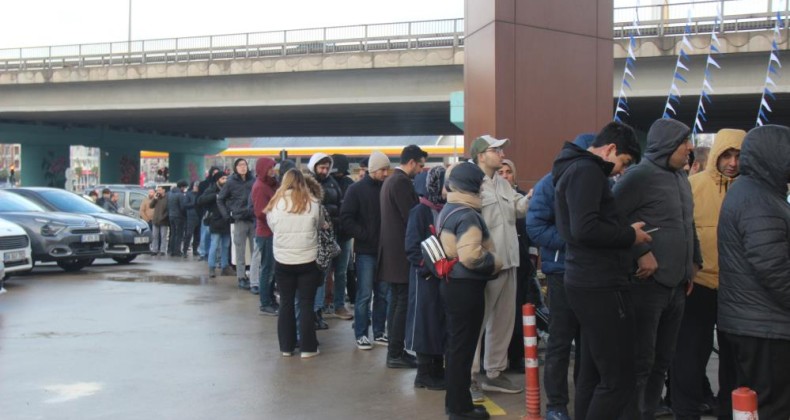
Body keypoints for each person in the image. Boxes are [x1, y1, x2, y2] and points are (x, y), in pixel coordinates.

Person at [552, 121, 651, 420]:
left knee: (594, 373)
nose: (621, 171)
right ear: (610, 149)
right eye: (624, 162)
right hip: (600, 284)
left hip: (586, 279)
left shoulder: (575, 168)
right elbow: (585, 229)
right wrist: (629, 235)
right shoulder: (588, 170)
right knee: (617, 380)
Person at [612, 119, 701, 420]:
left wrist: (693, 262)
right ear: (666, 145)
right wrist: (641, 252)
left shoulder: (681, 178)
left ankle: (647, 412)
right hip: (646, 287)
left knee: (663, 360)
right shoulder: (639, 176)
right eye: (684, 142)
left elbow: (688, 224)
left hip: (677, 285)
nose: (689, 148)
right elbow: (611, 219)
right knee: (641, 361)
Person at [670, 128, 745, 420]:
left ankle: (729, 411)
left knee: (735, 360)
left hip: (736, 289)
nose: (732, 163)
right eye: (727, 155)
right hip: (697, 286)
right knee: (689, 357)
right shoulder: (693, 186)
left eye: (738, 156)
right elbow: (680, 231)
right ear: (716, 155)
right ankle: (685, 412)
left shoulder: (749, 189)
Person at [717, 124, 790, 419]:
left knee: (750, 407)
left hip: (753, 321)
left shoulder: (756, 192)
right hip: (764, 326)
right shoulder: (758, 199)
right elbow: (772, 266)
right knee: (771, 407)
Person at [527, 134, 594, 420]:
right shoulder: (549, 183)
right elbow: (535, 227)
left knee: (589, 344)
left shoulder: (601, 182)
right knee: (560, 342)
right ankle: (556, 405)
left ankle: (586, 403)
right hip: (561, 273)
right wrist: (574, 240)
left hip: (593, 275)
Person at [466, 135, 529, 397]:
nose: (502, 154)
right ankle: (469, 376)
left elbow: (518, 208)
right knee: (476, 322)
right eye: (496, 150)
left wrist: (533, 197)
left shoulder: (502, 183)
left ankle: (494, 372)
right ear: (481, 155)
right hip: (486, 265)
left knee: (503, 320)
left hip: (509, 261)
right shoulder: (471, 183)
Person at [440, 162, 502, 420]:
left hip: (452, 284)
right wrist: (496, 262)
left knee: (457, 347)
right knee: (463, 349)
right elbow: (471, 256)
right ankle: (460, 409)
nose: (482, 189)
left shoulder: (449, 208)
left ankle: (457, 403)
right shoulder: (468, 215)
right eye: (480, 184)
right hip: (467, 287)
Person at [266, 169, 324, 359]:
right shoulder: (313, 203)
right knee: (306, 304)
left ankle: (286, 347)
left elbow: (272, 226)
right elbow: (318, 225)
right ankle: (308, 348)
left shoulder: (275, 203)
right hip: (308, 259)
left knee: (286, 303)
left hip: (283, 260)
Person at [379, 144, 427, 369]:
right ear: (411, 162)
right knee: (401, 304)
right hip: (401, 254)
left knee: (396, 302)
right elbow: (411, 217)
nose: (421, 170)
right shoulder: (401, 182)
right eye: (420, 166)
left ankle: (395, 351)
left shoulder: (390, 181)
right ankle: (395, 353)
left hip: (392, 253)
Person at [340, 151, 391, 350]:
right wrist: (364, 234)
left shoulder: (386, 188)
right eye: (383, 169)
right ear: (373, 169)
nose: (386, 173)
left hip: (383, 250)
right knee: (364, 295)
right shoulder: (356, 190)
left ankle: (378, 332)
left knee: (382, 294)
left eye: (387, 169)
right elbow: (346, 218)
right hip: (365, 251)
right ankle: (361, 333)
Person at [404, 165, 447, 391]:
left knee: (438, 322)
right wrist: (429, 266)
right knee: (424, 323)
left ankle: (437, 369)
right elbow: (412, 248)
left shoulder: (443, 209)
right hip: (425, 278)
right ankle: (423, 374)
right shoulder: (420, 211)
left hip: (440, 276)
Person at [306, 152, 350, 326]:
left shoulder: (332, 183)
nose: (324, 171)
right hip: (320, 236)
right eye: (321, 167)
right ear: (314, 167)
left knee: (340, 272)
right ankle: (318, 309)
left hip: (337, 232)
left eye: (326, 168)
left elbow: (340, 205)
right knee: (322, 274)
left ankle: (338, 305)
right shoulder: (308, 184)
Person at [217, 158, 255, 289]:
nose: (243, 167)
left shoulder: (253, 180)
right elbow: (220, 199)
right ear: (235, 168)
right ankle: (241, 277)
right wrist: (226, 215)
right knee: (240, 251)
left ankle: (255, 277)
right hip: (239, 219)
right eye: (240, 165)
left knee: (256, 251)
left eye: (244, 164)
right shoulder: (230, 182)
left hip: (253, 219)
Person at [251, 157, 279, 314]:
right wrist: (277, 215)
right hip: (266, 232)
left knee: (271, 269)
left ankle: (270, 299)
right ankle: (265, 302)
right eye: (270, 168)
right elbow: (260, 213)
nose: (273, 171)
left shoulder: (270, 184)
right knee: (267, 269)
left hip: (272, 231)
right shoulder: (260, 187)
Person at [199, 172, 233, 278]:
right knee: (214, 244)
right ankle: (211, 267)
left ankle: (224, 266)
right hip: (216, 221)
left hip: (227, 220)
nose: (225, 180)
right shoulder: (211, 189)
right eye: (223, 178)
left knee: (226, 245)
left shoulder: (229, 189)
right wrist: (215, 196)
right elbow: (200, 200)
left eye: (226, 178)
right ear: (218, 180)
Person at [197, 166, 221, 261]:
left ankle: (215, 256)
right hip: (207, 213)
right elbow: (199, 199)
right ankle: (203, 253)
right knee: (205, 235)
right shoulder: (204, 184)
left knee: (216, 238)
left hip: (218, 214)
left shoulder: (223, 185)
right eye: (214, 173)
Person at [167, 180, 188, 257]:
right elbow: (183, 207)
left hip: (171, 216)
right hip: (179, 217)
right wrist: (185, 215)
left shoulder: (170, 194)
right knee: (179, 234)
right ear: (182, 187)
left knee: (173, 233)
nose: (185, 189)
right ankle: (177, 251)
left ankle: (171, 250)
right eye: (184, 187)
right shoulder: (180, 195)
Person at [182, 181, 201, 257]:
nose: (196, 188)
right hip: (191, 217)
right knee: (188, 234)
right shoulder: (189, 194)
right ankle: (185, 250)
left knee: (197, 235)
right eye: (195, 186)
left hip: (199, 216)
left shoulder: (200, 194)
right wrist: (194, 203)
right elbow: (185, 204)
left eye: (197, 186)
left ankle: (195, 250)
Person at [149, 187, 169, 256]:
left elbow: (168, 210)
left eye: (160, 190)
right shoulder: (157, 198)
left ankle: (162, 250)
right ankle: (154, 250)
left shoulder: (167, 198)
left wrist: (163, 217)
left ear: (163, 190)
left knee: (163, 236)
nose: (158, 192)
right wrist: (154, 199)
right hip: (156, 220)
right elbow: (151, 206)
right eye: (157, 190)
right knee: (155, 236)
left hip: (163, 220)